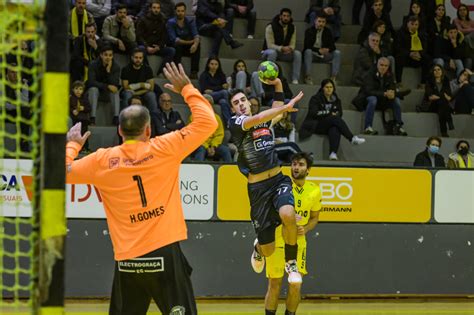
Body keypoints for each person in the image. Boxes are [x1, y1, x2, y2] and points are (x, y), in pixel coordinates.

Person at [65, 62, 218, 315]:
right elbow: (208, 123)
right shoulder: (164, 147)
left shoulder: (102, 160)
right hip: (164, 252)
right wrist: (188, 89)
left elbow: (62, 173)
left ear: (119, 130)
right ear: (148, 130)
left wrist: (72, 146)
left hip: (128, 257)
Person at [228, 80, 305, 284]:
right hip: (258, 189)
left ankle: (291, 263)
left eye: (243, 99)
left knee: (288, 214)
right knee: (269, 251)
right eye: (236, 102)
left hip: (278, 180)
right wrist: (285, 108)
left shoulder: (264, 122)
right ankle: (258, 249)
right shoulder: (235, 124)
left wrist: (279, 84)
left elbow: (274, 110)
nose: (242, 104)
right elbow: (265, 115)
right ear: (232, 108)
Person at [264, 152, 321, 315]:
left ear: (308, 170)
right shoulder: (282, 186)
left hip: (299, 243)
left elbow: (315, 218)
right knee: (274, 283)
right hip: (277, 240)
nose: (296, 167)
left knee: (296, 284)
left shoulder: (314, 190)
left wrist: (306, 228)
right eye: (294, 164)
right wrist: (286, 217)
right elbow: (268, 211)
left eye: (301, 164)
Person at [299, 79, 365, 161]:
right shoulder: (315, 99)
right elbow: (314, 113)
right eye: (327, 87)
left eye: (331, 87)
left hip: (330, 123)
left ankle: (333, 153)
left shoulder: (336, 100)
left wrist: (329, 114)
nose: (329, 89)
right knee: (334, 119)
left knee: (335, 128)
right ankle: (351, 138)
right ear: (322, 88)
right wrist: (329, 113)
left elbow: (339, 114)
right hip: (316, 124)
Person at [353, 57, 407, 136]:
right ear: (377, 65)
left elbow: (392, 87)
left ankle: (399, 126)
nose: (383, 67)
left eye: (386, 66)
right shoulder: (369, 74)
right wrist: (384, 94)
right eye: (381, 65)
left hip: (383, 100)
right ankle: (367, 127)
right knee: (373, 99)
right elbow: (368, 91)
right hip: (367, 98)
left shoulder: (390, 75)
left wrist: (392, 93)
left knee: (396, 100)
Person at [121, 48, 160, 129]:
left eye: (140, 58)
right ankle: (126, 120)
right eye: (136, 57)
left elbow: (151, 87)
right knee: (127, 94)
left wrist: (137, 91)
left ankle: (155, 122)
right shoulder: (126, 69)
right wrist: (142, 85)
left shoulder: (147, 69)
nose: (138, 60)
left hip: (141, 93)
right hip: (130, 93)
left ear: (143, 58)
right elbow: (125, 87)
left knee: (151, 95)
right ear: (132, 58)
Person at [262, 8, 302, 84]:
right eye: (284, 16)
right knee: (272, 53)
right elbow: (269, 45)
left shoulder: (292, 27)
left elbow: (293, 44)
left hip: (284, 52)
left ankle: (295, 79)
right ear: (280, 16)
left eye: (288, 16)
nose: (286, 18)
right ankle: (269, 77)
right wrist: (281, 48)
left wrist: (289, 48)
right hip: (268, 51)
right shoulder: (270, 27)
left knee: (297, 54)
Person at [136, 0, 176, 76]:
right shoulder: (143, 19)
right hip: (146, 46)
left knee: (171, 51)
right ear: (150, 8)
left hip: (157, 47)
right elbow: (139, 36)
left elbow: (165, 36)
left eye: (158, 8)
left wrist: (159, 46)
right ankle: (147, 71)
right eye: (154, 8)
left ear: (160, 9)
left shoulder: (163, 20)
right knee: (140, 49)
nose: (156, 10)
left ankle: (161, 72)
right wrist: (146, 46)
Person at [87, 44, 121, 126]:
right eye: (105, 55)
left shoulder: (115, 67)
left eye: (110, 55)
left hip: (107, 94)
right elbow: (91, 82)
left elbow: (115, 84)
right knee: (93, 89)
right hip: (95, 93)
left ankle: (116, 118)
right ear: (101, 55)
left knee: (115, 91)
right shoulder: (93, 64)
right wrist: (107, 86)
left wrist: (108, 72)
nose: (108, 57)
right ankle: (92, 118)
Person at [303, 14, 341, 85]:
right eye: (319, 21)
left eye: (323, 22)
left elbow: (333, 46)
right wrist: (318, 50)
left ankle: (334, 77)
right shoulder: (309, 31)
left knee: (337, 53)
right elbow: (307, 46)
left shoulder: (328, 31)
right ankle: (308, 76)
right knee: (308, 52)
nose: (321, 24)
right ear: (315, 21)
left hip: (324, 55)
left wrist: (327, 49)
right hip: (314, 54)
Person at [395, 15, 432, 87]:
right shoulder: (401, 33)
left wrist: (419, 53)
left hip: (418, 57)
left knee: (427, 59)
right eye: (412, 24)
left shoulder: (422, 34)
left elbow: (425, 47)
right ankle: (398, 81)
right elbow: (398, 48)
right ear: (407, 24)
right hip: (406, 57)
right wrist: (410, 53)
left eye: (416, 24)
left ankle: (423, 83)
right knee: (399, 57)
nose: (414, 26)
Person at [166, 2, 201, 79]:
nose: (180, 13)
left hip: (186, 46)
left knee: (197, 46)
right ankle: (177, 72)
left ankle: (194, 72)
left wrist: (195, 44)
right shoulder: (170, 22)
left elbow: (196, 35)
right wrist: (191, 42)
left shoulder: (190, 21)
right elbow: (175, 39)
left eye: (182, 11)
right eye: (178, 11)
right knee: (177, 46)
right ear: (175, 11)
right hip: (176, 46)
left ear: (185, 12)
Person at [420, 64, 453, 137]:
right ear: (432, 72)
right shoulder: (429, 81)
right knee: (443, 101)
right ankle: (449, 122)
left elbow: (449, 97)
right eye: (435, 70)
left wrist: (442, 97)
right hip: (431, 105)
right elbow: (431, 97)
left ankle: (444, 132)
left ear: (442, 71)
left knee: (442, 106)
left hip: (441, 106)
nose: (437, 71)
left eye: (439, 69)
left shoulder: (446, 81)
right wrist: (443, 96)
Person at [199, 57, 232, 125]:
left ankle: (229, 123)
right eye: (212, 64)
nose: (214, 66)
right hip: (208, 96)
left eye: (216, 64)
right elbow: (204, 90)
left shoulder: (221, 75)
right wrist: (220, 87)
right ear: (208, 65)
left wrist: (213, 89)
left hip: (219, 96)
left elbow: (225, 86)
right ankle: (231, 110)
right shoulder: (204, 75)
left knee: (223, 102)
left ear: (218, 65)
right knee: (224, 92)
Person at [69, 81, 91, 152]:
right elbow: (67, 107)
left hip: (83, 119)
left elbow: (89, 108)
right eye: (76, 89)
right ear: (73, 89)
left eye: (80, 89)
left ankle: (85, 147)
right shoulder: (70, 98)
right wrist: (72, 111)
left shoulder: (84, 99)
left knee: (84, 133)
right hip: (74, 119)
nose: (78, 91)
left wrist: (83, 108)